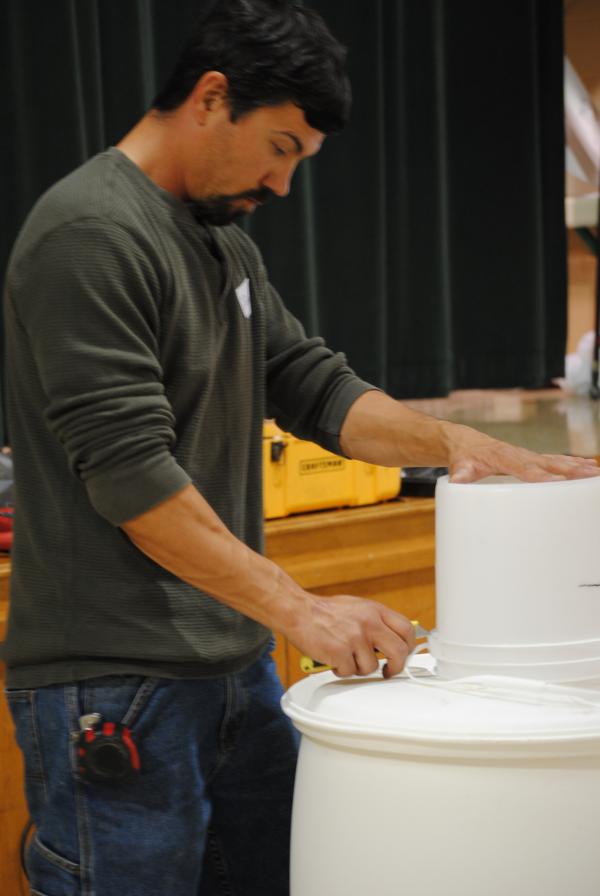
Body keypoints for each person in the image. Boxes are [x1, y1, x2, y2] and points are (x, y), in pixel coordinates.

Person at [2, 1, 598, 894]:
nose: (284, 184)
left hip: (232, 667)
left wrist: (468, 447)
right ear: (211, 97)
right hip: (115, 683)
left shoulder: (222, 244)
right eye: (281, 147)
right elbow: (133, 482)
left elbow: (316, 387)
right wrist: (305, 613)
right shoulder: (92, 235)